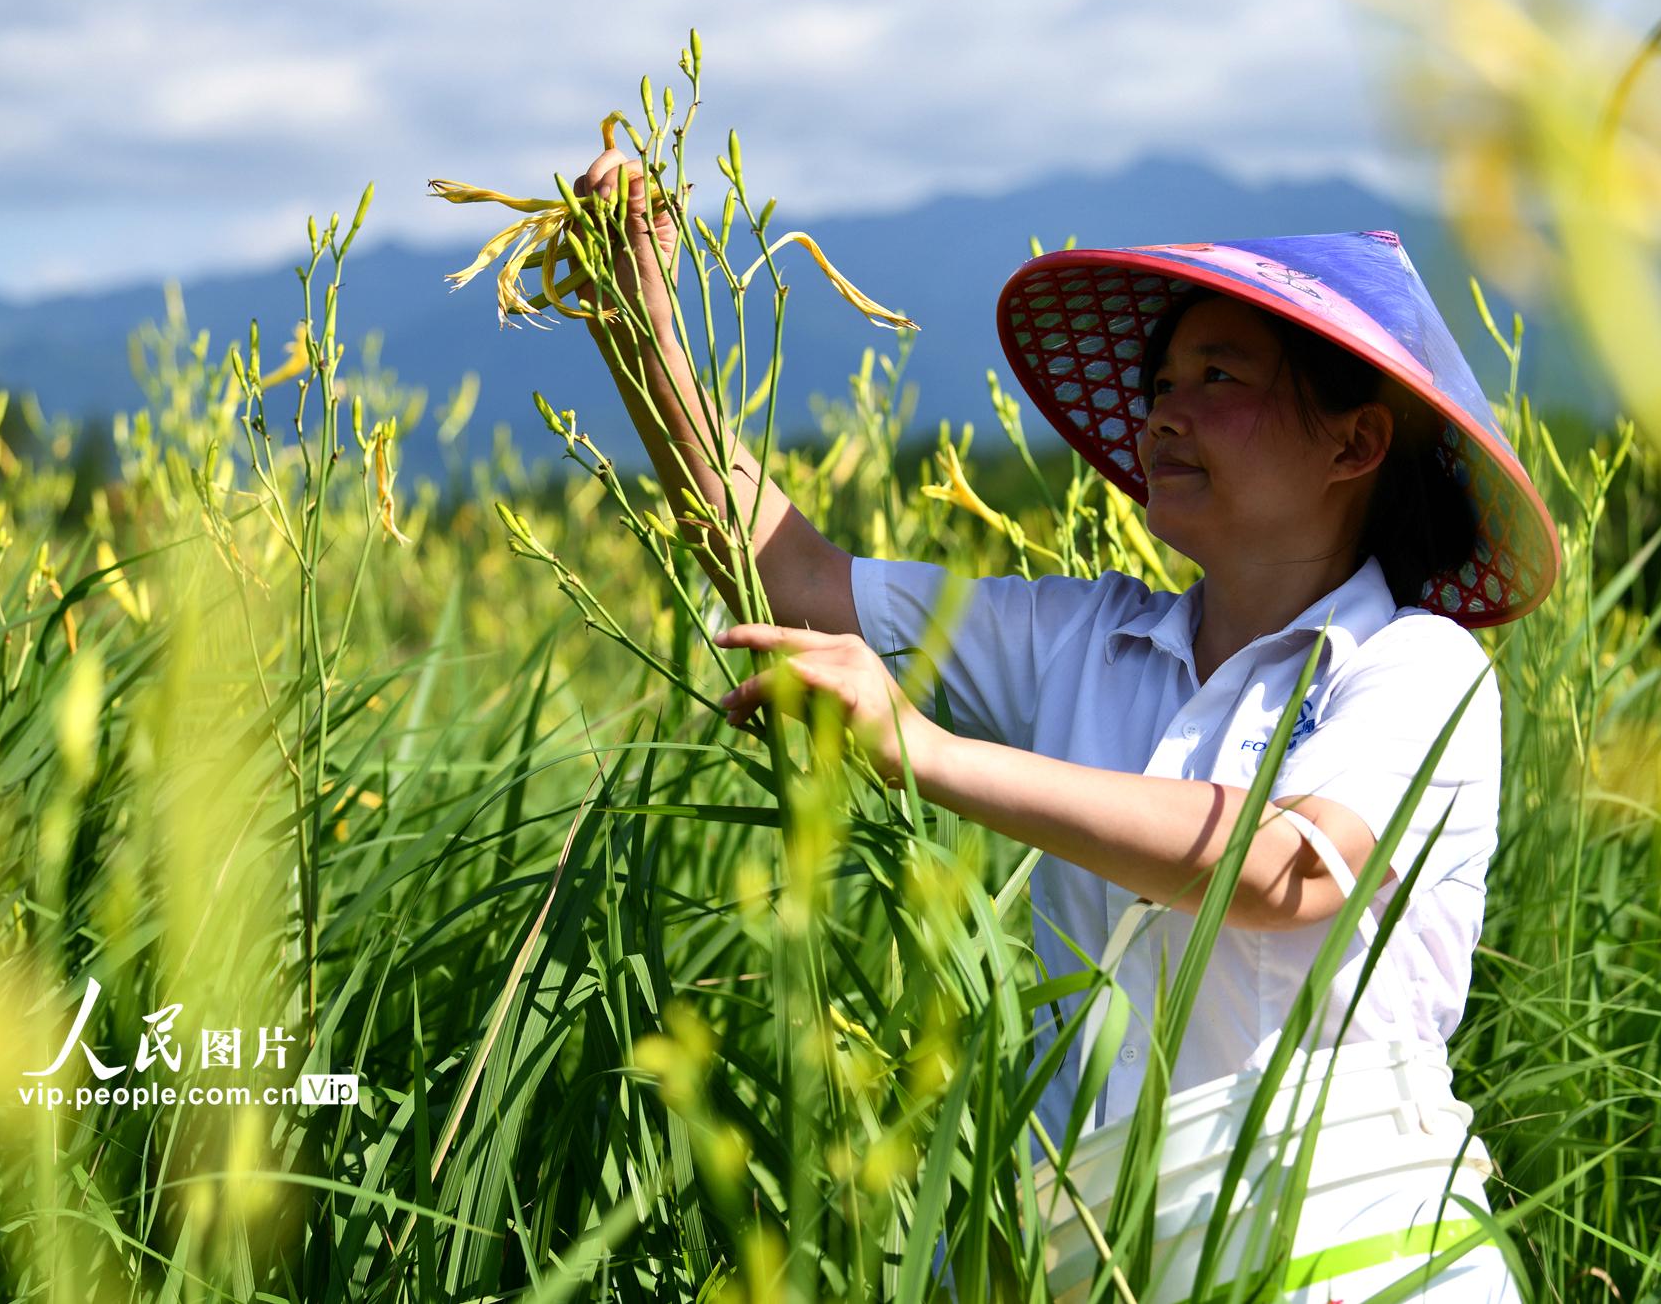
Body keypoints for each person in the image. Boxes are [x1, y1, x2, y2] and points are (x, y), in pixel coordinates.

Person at [570, 145, 1560, 1300]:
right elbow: (795, 577)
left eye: (1216, 380)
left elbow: (1284, 866)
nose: (1159, 414)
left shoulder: (1417, 668)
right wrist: (634, 328)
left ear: (1352, 443)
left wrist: (926, 753)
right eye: (1159, 384)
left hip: (1366, 1262)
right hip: (1123, 1261)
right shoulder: (1082, 639)